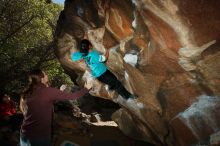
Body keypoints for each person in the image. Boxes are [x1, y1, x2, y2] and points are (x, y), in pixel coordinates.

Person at [19, 69, 92, 146]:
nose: (47, 75)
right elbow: (73, 96)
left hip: (25, 133)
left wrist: (60, 92)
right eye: (45, 74)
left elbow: (44, 103)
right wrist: (86, 89)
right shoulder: (48, 91)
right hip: (40, 135)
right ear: (41, 78)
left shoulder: (28, 92)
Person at [70, 39, 135, 100]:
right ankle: (127, 96)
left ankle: (111, 86)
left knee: (113, 80)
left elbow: (73, 57)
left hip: (98, 75)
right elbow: (104, 59)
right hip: (104, 73)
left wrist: (83, 51)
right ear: (89, 46)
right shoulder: (93, 54)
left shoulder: (83, 54)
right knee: (117, 84)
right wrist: (107, 51)